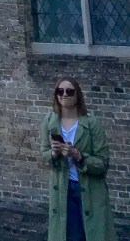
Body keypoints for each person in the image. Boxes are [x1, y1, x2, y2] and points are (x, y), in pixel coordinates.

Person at [40, 76, 117, 241]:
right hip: (62, 189)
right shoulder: (49, 121)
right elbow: (44, 154)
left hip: (88, 190)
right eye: (60, 91)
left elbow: (103, 164)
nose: (64, 95)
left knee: (91, 233)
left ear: (77, 95)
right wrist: (54, 154)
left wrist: (77, 155)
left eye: (69, 91)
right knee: (68, 235)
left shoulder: (92, 124)